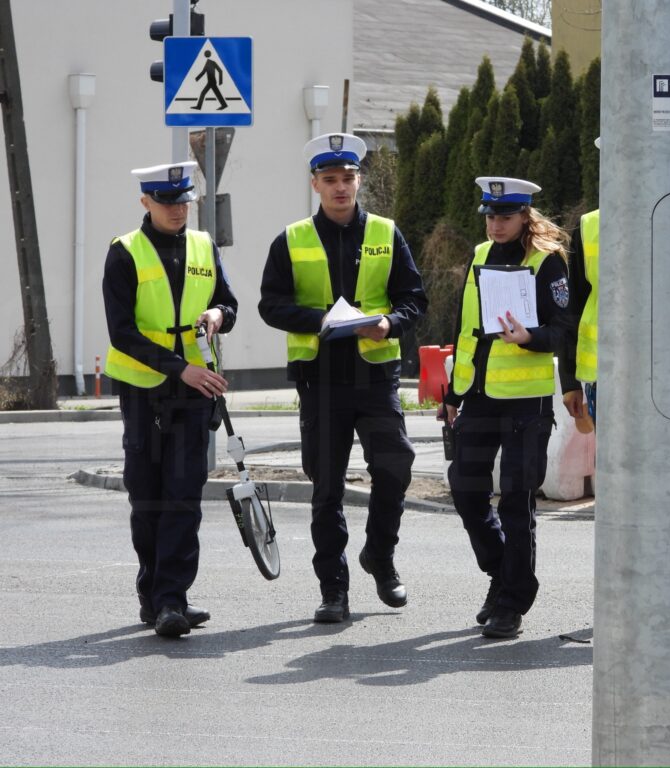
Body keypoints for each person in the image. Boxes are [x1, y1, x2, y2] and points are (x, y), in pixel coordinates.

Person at [259, 133, 427, 624]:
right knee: (327, 487)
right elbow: (271, 305)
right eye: (330, 179)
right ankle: (334, 589)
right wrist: (320, 320)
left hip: (376, 376)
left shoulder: (386, 232)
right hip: (321, 380)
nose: (340, 187)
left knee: (394, 469)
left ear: (359, 180)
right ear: (315, 184)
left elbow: (414, 298)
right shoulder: (291, 239)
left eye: (348, 178)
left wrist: (389, 323)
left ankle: (381, 557)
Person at [561, 199, 670, 633]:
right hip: (610, 380)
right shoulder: (589, 227)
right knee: (623, 491)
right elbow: (573, 311)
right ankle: (630, 597)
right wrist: (570, 380)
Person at [102, 160, 238, 638]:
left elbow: (229, 301)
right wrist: (180, 366)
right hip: (144, 390)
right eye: (167, 202)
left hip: (194, 392)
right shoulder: (125, 253)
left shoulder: (204, 245)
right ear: (146, 203)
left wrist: (219, 314)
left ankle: (171, 600)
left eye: (183, 201)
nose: (177, 210)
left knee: (183, 495)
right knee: (148, 495)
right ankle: (153, 594)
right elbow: (122, 333)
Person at [443, 176, 574, 639]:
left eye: (505, 217)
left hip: (525, 403)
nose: (495, 225)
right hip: (477, 396)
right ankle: (502, 575)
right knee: (466, 490)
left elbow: (564, 330)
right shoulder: (480, 256)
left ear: (524, 217)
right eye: (490, 217)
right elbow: (465, 331)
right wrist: (453, 395)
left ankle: (512, 604)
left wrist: (530, 338)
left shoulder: (547, 263)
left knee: (517, 502)